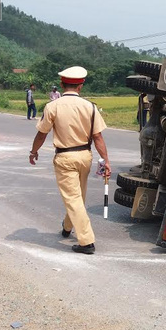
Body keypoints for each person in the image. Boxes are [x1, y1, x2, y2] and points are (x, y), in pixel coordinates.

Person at [29, 66, 111, 255]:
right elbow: (98, 137)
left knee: (73, 197)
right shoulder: (89, 107)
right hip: (85, 156)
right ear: (80, 86)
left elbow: (42, 134)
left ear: (61, 84)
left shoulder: (53, 106)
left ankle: (87, 242)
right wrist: (106, 160)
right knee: (78, 196)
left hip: (65, 157)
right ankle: (67, 227)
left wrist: (34, 152)